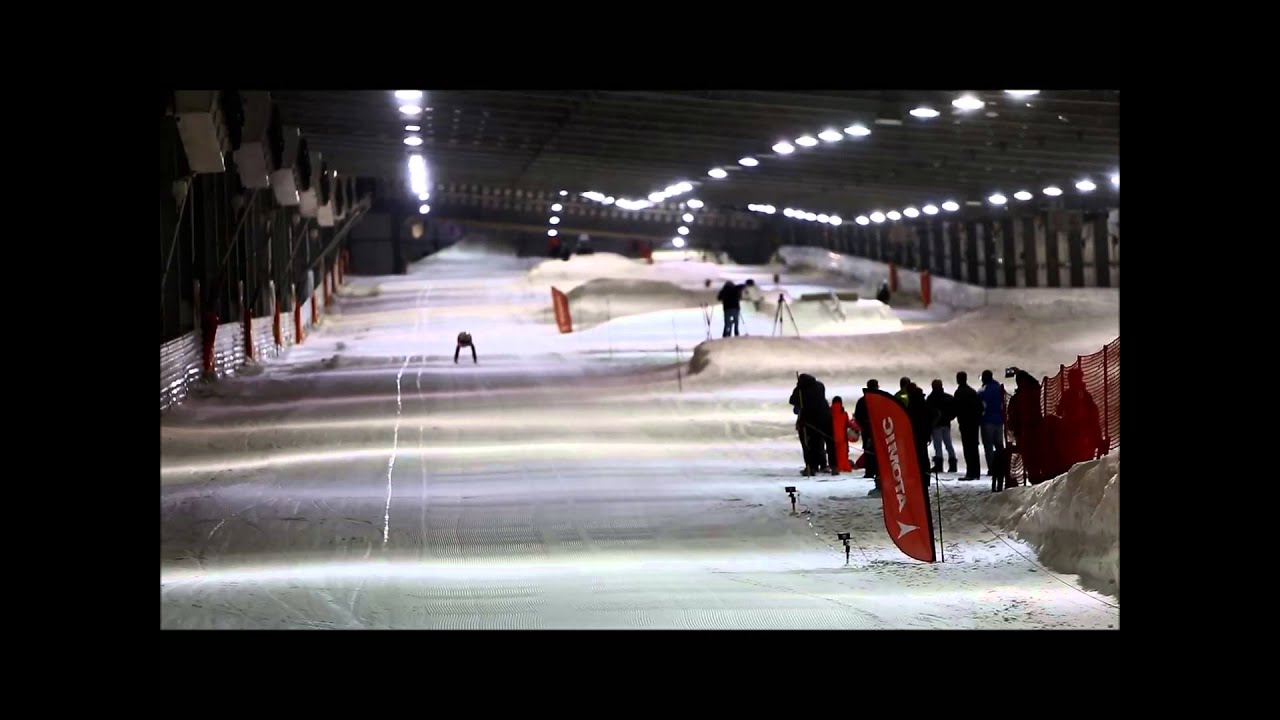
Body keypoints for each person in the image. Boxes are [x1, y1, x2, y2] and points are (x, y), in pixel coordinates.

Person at [1056, 366, 1108, 466]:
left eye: (1074, 379)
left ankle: (1099, 444)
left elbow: (1093, 411)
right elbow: (1059, 411)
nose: (1072, 382)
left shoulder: (1083, 394)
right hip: (1071, 426)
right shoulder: (1070, 394)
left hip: (1080, 426)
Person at [789, 373, 832, 476]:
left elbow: (792, 400)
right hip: (822, 420)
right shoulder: (820, 386)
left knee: (807, 445)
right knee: (819, 443)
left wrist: (799, 390)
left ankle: (811, 466)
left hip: (807, 421)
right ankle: (823, 464)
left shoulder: (800, 389)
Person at [1006, 370, 1043, 486]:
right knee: (1037, 455)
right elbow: (1036, 383)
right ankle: (1038, 478)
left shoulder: (1016, 399)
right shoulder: (1034, 394)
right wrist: (1021, 372)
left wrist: (1012, 428)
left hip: (1022, 432)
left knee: (1028, 458)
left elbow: (1011, 418)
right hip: (1036, 430)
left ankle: (1033, 479)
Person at [953, 371, 983, 480]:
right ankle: (976, 472)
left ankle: (970, 472)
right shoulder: (972, 392)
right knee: (974, 448)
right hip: (974, 424)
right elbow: (980, 407)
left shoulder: (959, 392)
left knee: (968, 449)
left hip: (965, 424)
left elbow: (956, 408)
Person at [906, 383, 935, 487]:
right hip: (923, 434)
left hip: (915, 434)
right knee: (923, 457)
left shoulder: (912, 404)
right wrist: (929, 432)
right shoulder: (924, 403)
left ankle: (917, 478)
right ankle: (925, 479)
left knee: (916, 457)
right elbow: (931, 417)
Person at [853, 380, 880, 493]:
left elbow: (857, 416)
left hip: (867, 429)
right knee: (877, 450)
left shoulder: (862, 400)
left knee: (869, 450)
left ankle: (870, 471)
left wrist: (863, 425)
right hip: (876, 429)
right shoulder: (880, 399)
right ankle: (877, 471)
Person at [927, 379, 958, 474]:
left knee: (938, 446)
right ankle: (953, 464)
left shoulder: (931, 398)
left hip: (936, 425)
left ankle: (939, 465)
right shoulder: (948, 397)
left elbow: (929, 413)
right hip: (946, 424)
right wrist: (950, 418)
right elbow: (954, 410)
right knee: (949, 445)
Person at [979, 370, 1006, 477]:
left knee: (988, 447)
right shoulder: (999, 388)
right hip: (999, 420)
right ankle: (1003, 467)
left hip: (987, 420)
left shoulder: (983, 390)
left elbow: (980, 403)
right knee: (999, 446)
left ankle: (992, 468)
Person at [830, 396, 854, 474]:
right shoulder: (844, 413)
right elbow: (848, 424)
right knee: (843, 454)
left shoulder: (830, 412)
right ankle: (844, 467)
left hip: (831, 437)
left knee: (834, 454)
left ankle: (836, 467)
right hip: (842, 437)